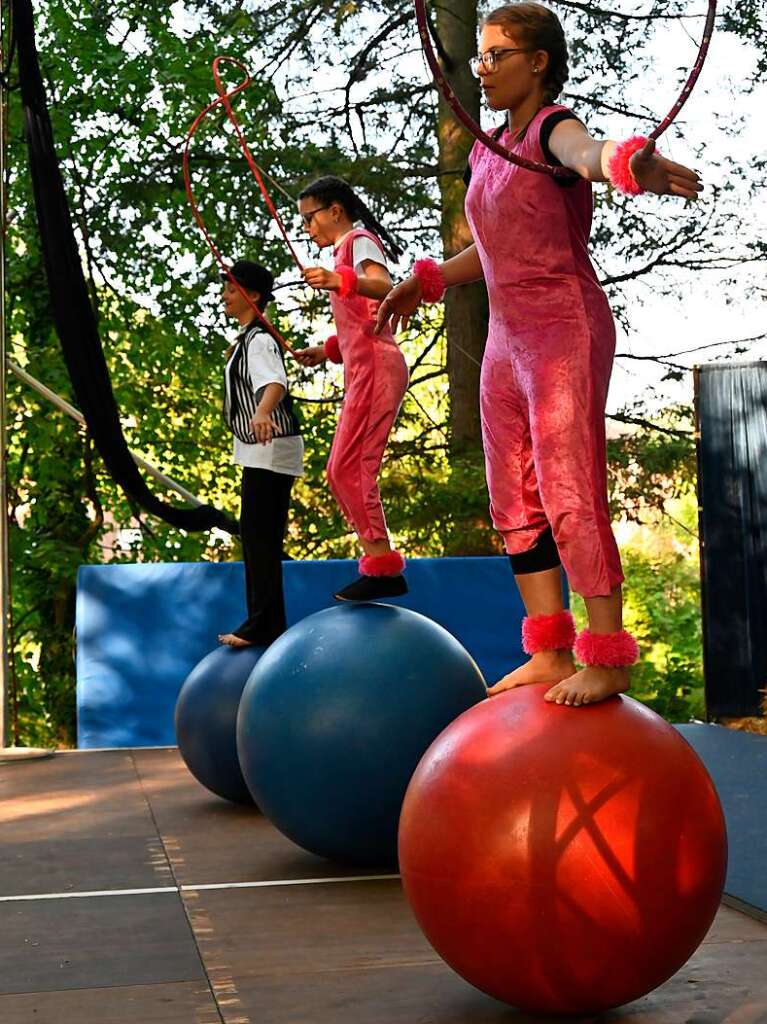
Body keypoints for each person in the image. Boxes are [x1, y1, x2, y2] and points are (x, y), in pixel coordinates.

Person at [376, 2, 702, 706]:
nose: (482, 68)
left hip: (562, 328)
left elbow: (586, 157)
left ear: (538, 62)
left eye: (497, 55)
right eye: (479, 56)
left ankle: (607, 656)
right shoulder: (485, 147)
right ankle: (549, 650)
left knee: (567, 491)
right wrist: (422, 279)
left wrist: (623, 163)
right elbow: (489, 250)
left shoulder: (554, 128)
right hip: (505, 340)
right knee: (513, 499)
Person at [294, 176, 410, 602]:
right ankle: (378, 564)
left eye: (310, 218)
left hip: (378, 370)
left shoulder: (358, 239)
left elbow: (385, 286)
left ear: (335, 211)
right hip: (364, 369)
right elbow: (360, 323)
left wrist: (338, 279)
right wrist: (324, 350)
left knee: (349, 468)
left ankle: (382, 569)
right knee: (340, 470)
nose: (308, 229)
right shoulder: (346, 251)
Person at [217, 260, 304, 647]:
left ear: (252, 296)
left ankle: (263, 623)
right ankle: (266, 620)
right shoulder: (247, 340)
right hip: (258, 452)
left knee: (259, 535)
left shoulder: (259, 340)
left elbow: (274, 382)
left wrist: (264, 411)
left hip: (271, 449)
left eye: (232, 289)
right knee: (256, 535)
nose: (225, 295)